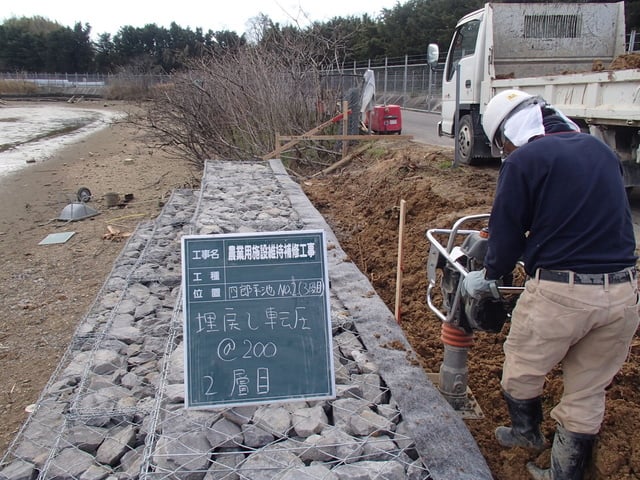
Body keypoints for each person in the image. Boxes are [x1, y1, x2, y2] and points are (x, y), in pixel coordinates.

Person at [461, 89, 639, 480]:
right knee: (589, 390)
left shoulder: (525, 160)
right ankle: (564, 474)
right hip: (624, 292)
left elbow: (506, 233)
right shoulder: (599, 151)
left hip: (562, 294)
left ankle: (526, 434)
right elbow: (584, 219)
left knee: (522, 369)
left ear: (510, 131)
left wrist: (491, 276)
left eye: (501, 144)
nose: (504, 152)